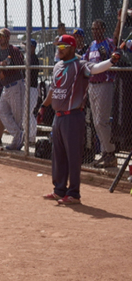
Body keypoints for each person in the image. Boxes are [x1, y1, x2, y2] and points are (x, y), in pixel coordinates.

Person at [38, 35, 120, 205]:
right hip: (58, 117)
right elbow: (53, 91)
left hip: (73, 116)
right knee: (58, 156)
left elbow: (96, 68)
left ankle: (74, 193)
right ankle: (59, 190)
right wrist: (43, 106)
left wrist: (111, 60)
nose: (58, 50)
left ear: (71, 48)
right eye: (58, 47)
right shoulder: (58, 66)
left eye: (62, 47)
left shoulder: (80, 65)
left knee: (73, 156)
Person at [85, 19, 117, 168]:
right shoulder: (91, 45)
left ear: (103, 30)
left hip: (104, 84)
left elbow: (114, 56)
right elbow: (85, 64)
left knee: (100, 121)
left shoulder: (108, 43)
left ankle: (110, 152)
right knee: (96, 121)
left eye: (97, 29)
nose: (95, 31)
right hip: (92, 85)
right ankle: (105, 154)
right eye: (93, 29)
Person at [0, 28, 26, 151]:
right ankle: (18, 135)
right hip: (5, 86)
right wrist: (0, 65)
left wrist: (6, 70)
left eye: (3, 36)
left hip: (15, 84)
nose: (0, 38)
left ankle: (17, 143)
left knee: (17, 116)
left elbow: (20, 66)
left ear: (8, 38)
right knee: (2, 112)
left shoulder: (13, 50)